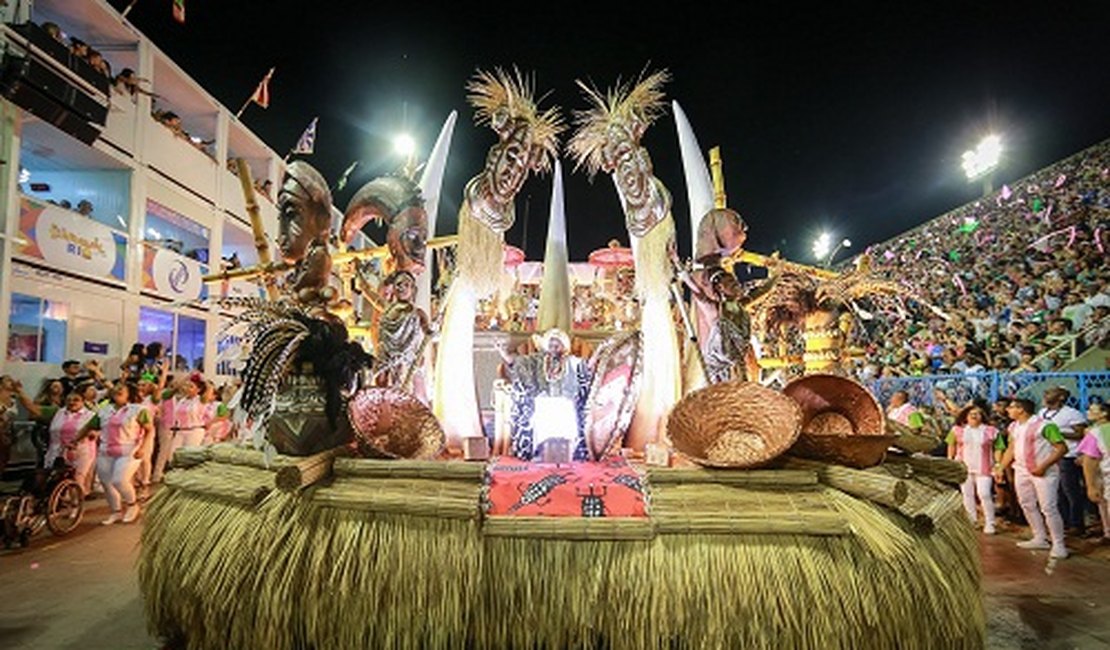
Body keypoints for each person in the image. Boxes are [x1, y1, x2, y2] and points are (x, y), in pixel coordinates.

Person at [495, 328, 591, 462]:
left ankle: (569, 452)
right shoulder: (536, 361)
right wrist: (503, 353)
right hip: (542, 403)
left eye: (557, 344)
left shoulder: (573, 361)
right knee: (536, 411)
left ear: (564, 346)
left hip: (566, 403)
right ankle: (539, 452)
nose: (554, 347)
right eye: (551, 344)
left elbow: (587, 369)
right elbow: (518, 363)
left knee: (569, 411)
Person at [994, 398, 1069, 559]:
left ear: (1021, 409)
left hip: (1044, 472)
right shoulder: (1013, 426)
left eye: (1011, 407)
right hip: (1022, 470)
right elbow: (1011, 448)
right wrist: (1001, 467)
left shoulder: (1045, 425)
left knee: (1048, 507)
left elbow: (1062, 448)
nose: (1008, 410)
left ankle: (1058, 544)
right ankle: (1039, 537)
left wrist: (1043, 466)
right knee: (1027, 504)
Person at [76, 384, 153, 524]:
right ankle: (116, 511)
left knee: (120, 480)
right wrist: (74, 441)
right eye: (115, 389)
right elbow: (88, 427)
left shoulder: (138, 410)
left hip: (129, 450)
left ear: (129, 393)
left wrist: (143, 447)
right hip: (106, 451)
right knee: (106, 483)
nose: (118, 390)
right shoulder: (104, 410)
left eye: (121, 389)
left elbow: (149, 430)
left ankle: (132, 505)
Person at [1038, 387, 1089, 537]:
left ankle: (1077, 524)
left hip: (1068, 455)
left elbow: (1080, 433)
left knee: (1070, 491)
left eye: (1050, 392)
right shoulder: (1042, 412)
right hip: (1049, 455)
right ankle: (1063, 522)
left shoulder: (1071, 413)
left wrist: (1056, 434)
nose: (1046, 394)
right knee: (1056, 491)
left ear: (1061, 397)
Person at [947, 405, 1004, 534]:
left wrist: (998, 463)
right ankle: (971, 520)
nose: (974, 415)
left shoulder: (991, 431)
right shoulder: (957, 430)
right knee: (967, 494)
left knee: (984, 494)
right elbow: (951, 445)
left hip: (984, 467)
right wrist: (950, 459)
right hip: (963, 466)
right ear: (966, 416)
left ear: (982, 416)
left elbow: (999, 448)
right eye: (971, 413)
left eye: (977, 413)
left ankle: (990, 522)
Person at [43, 392, 97, 496]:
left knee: (78, 477)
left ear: (83, 402)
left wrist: (93, 434)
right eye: (69, 400)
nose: (72, 402)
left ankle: (76, 500)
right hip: (60, 451)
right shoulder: (59, 413)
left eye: (76, 400)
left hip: (83, 451)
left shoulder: (90, 415)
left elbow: (96, 431)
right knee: (58, 477)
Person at [1077, 401, 1110, 543]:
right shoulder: (1095, 431)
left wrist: (1090, 486)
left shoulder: (1097, 432)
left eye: (1092, 410)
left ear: (1104, 414)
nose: (1088, 413)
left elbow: (1089, 460)